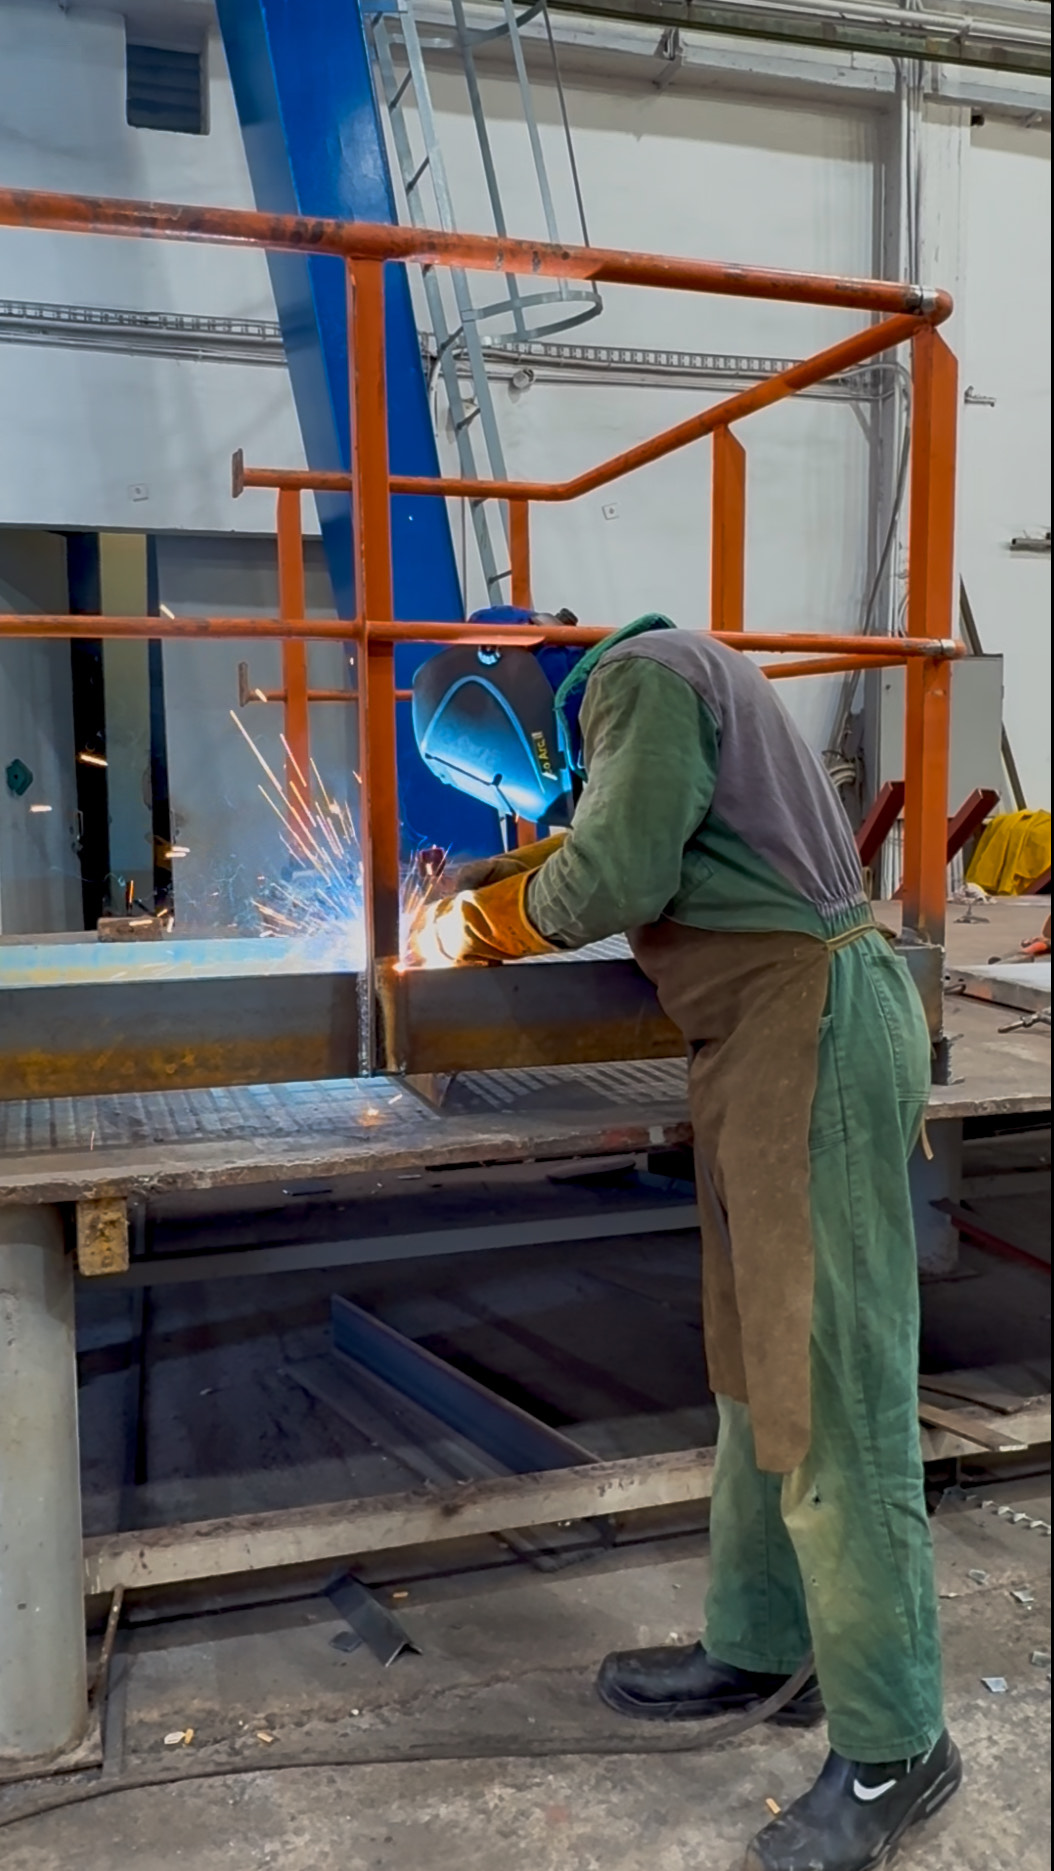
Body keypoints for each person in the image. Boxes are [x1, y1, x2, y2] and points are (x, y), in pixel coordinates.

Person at [409, 611, 961, 1871]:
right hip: (762, 1043)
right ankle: (761, 1639)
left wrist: (463, 929)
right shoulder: (651, 692)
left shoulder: (641, 679)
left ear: (503, 699)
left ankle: (899, 1742)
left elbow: (609, 877)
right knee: (754, 1367)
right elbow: (592, 841)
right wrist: (476, 882)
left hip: (810, 1033)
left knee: (831, 1391)